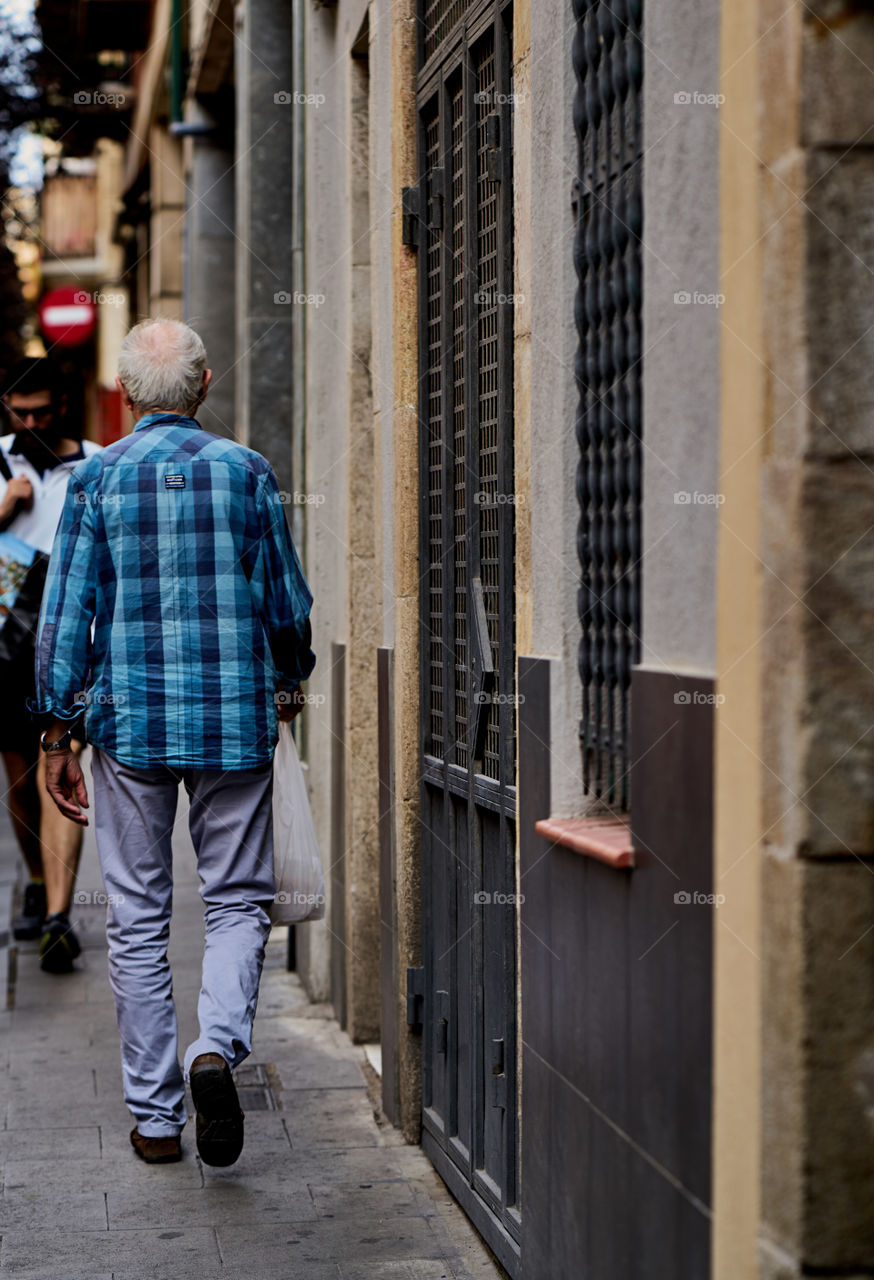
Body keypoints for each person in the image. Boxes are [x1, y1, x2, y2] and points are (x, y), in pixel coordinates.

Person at [31, 319, 316, 1166]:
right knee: (235, 900)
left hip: (130, 725)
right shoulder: (247, 473)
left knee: (136, 916)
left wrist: (56, 728)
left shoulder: (96, 480)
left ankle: (156, 1119)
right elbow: (288, 608)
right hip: (232, 720)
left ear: (125, 395)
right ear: (205, 386)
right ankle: (213, 1048)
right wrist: (287, 679)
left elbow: (64, 614)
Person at [0, 357, 101, 971]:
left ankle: (60, 916)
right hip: (3, 644)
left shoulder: (95, 464)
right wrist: (6, 510)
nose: (31, 421)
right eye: (19, 412)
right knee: (17, 776)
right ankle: (37, 879)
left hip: (68, 642)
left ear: (61, 406)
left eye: (41, 411)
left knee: (56, 763)